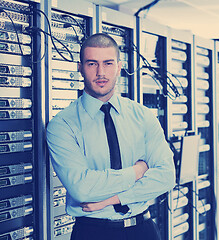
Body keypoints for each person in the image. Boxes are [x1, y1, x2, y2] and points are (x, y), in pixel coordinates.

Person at [46, 33, 175, 240]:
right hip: (92, 232)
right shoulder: (62, 125)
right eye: (92, 64)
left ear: (119, 66)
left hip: (143, 230)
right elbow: (82, 189)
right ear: (80, 68)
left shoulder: (142, 116)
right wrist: (137, 171)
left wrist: (110, 200)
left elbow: (166, 177)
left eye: (108, 63)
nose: (101, 72)